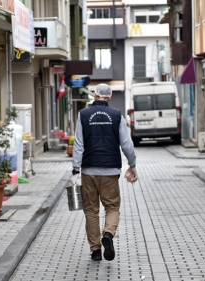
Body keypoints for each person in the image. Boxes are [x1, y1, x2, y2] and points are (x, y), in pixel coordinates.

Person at [70, 83, 137, 262]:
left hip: (89, 170)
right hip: (110, 170)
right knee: (112, 206)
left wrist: (75, 170)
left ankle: (96, 251)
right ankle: (107, 234)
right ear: (110, 96)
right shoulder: (116, 116)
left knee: (91, 210)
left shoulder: (83, 115)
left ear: (94, 94)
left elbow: (78, 145)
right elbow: (126, 144)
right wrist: (132, 164)